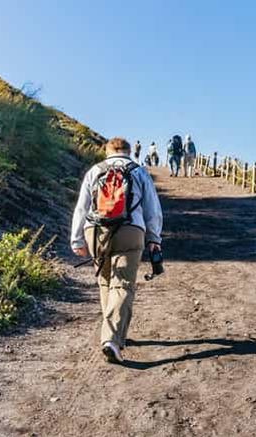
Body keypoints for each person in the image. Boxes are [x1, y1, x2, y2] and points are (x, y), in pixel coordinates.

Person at [71, 137, 163, 364]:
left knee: (105, 282)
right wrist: (154, 237)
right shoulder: (139, 172)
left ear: (107, 151)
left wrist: (76, 239)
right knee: (122, 284)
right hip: (131, 229)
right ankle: (111, 338)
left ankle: (116, 335)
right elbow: (152, 208)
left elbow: (82, 207)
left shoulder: (95, 170)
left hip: (95, 230)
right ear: (129, 152)